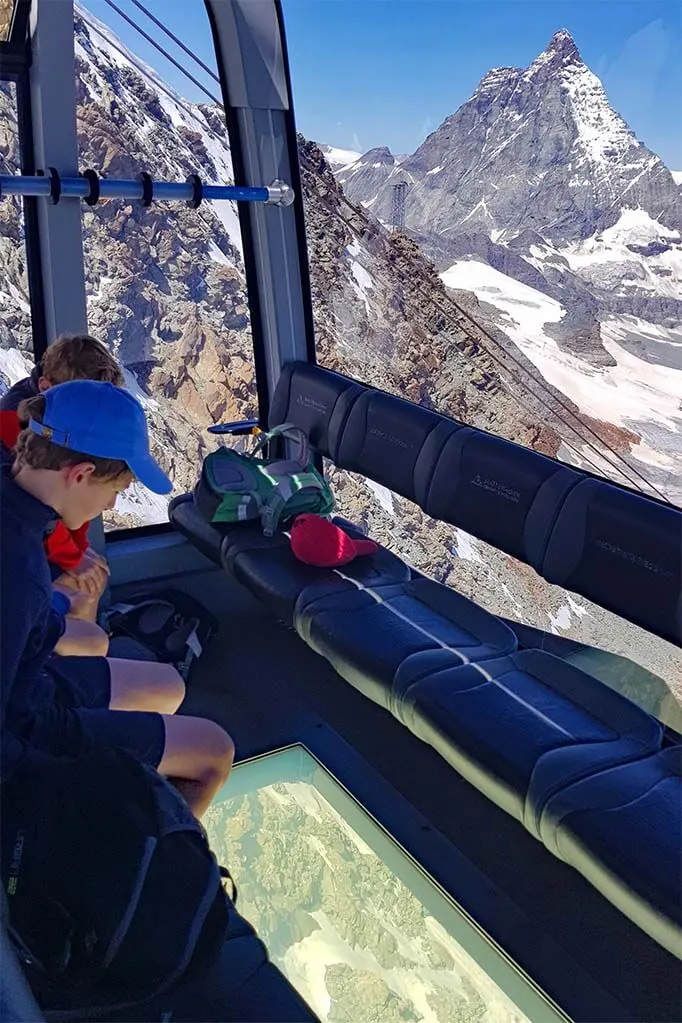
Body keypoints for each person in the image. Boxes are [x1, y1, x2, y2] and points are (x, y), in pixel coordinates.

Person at [1, 380, 234, 818]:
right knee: (213, 752)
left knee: (166, 686)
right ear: (80, 474)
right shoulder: (17, 567)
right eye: (117, 489)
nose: (111, 503)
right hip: (28, 727)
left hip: (33, 682)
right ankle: (142, 862)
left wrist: (49, 615)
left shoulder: (18, 509)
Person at [0, 334, 123, 626]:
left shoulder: (55, 417)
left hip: (36, 535)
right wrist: (73, 558)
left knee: (94, 578)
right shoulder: (13, 424)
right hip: (19, 546)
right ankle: (64, 660)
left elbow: (62, 502)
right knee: (83, 587)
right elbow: (34, 504)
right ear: (46, 387)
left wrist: (79, 548)